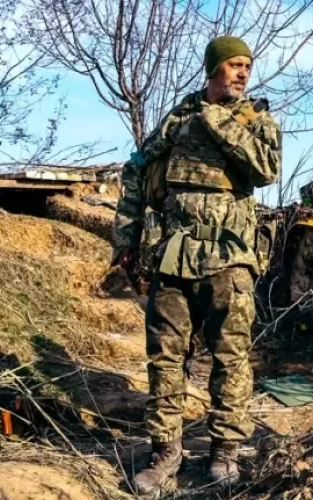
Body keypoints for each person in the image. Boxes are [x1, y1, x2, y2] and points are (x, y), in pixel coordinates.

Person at [111, 35, 281, 495]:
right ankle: (165, 455)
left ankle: (224, 452)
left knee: (231, 359)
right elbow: (135, 171)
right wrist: (125, 240)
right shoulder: (176, 119)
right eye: (234, 65)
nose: (243, 72)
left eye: (248, 65)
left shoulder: (256, 120)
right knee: (165, 359)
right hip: (174, 256)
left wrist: (215, 117)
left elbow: (265, 169)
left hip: (229, 259)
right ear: (213, 70)